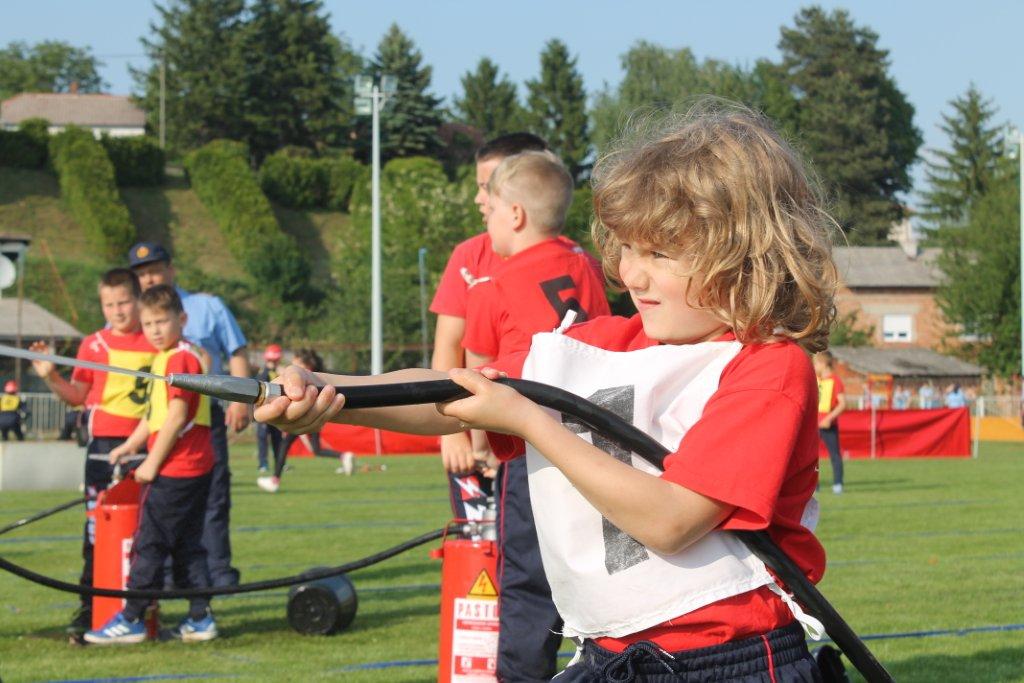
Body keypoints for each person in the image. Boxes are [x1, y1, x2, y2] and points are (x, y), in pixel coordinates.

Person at [256, 101, 834, 681]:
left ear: (745, 255)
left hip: (726, 664)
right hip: (609, 654)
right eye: (628, 248)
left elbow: (672, 520)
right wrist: (327, 388)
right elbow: (452, 393)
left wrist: (530, 421)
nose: (630, 275)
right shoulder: (598, 344)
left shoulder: (768, 366)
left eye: (660, 253)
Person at [461, 150, 610, 681]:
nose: (486, 218)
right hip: (598, 445)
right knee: (600, 570)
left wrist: (480, 447)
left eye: (490, 209)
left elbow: (475, 381)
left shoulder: (493, 285)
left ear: (516, 214)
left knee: (527, 581)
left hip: (531, 450)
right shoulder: (587, 267)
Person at [85, 285, 217, 644]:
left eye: (162, 321)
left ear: (181, 319)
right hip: (189, 466)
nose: (155, 330)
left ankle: (132, 618)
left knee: (150, 543)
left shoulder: (180, 359)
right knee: (187, 545)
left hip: (179, 468)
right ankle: (200, 617)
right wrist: (130, 446)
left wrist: (151, 465)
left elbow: (176, 417)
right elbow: (155, 415)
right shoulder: (167, 358)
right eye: (148, 324)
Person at [430, 132, 550, 524]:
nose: (478, 199)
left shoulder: (561, 258)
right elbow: (449, 347)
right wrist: (451, 433)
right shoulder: (472, 255)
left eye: (488, 187)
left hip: (543, 438)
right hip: (479, 435)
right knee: (484, 545)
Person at [29, 268, 156, 636]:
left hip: (148, 447)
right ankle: (90, 608)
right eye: (109, 305)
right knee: (95, 532)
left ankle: (146, 611)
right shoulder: (93, 345)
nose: (117, 311)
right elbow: (76, 397)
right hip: (103, 449)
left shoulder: (155, 340)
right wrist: (51, 376)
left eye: (123, 302)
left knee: (149, 533)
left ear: (138, 300)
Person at [128, 242, 249, 588]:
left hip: (202, 418)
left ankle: (218, 574)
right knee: (162, 508)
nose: (148, 278)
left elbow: (236, 350)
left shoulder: (206, 306)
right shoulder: (136, 313)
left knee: (213, 499)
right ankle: (169, 581)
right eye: (141, 274)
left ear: (171, 269)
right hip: (159, 419)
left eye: (154, 270)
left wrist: (241, 400)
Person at [257, 348, 352, 493]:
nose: (292, 364)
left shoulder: (304, 379)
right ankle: (343, 456)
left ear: (305, 364)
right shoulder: (316, 377)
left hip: (305, 414)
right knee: (316, 449)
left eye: (295, 361)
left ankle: (275, 480)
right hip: (314, 414)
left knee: (285, 445)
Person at [814, 352, 846, 495]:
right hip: (814, 425)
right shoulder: (815, 379)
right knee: (812, 457)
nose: (814, 366)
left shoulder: (835, 381)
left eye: (816, 363)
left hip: (829, 425)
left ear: (823, 364)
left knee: (835, 455)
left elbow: (842, 404)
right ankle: (814, 485)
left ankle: (838, 484)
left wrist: (829, 418)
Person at [256, 344, 283, 473]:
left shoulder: (279, 373)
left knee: (277, 438)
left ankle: (280, 463)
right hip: (264, 409)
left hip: (276, 410)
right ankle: (263, 464)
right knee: (262, 437)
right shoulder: (263, 373)